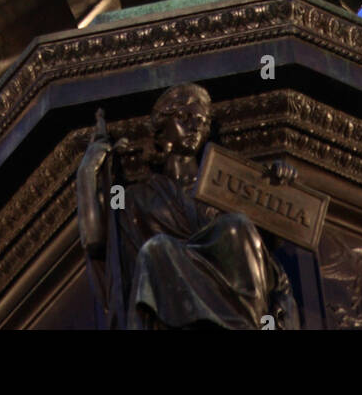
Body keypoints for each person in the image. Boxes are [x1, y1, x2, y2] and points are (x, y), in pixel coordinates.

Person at [77, 84, 299, 330]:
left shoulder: (226, 187)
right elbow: (97, 242)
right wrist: (88, 172)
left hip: (239, 297)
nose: (195, 126)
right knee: (156, 249)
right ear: (161, 130)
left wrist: (278, 187)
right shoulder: (136, 198)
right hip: (171, 299)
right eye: (184, 117)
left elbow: (262, 247)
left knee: (237, 225)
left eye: (202, 121)